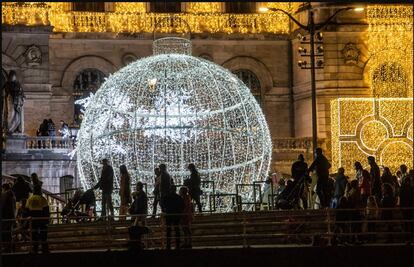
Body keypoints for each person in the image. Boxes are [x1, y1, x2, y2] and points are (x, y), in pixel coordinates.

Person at [25, 184, 50, 254]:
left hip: (32, 220)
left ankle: (35, 249)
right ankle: (44, 249)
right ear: (40, 191)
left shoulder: (29, 199)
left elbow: (26, 210)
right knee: (43, 235)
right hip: (42, 219)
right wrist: (47, 220)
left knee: (34, 234)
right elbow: (46, 210)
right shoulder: (42, 199)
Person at [164, 185, 184, 250]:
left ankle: (168, 245)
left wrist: (166, 211)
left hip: (168, 215)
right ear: (175, 189)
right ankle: (177, 245)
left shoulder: (166, 197)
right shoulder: (179, 197)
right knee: (177, 229)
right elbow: (182, 206)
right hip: (176, 215)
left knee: (168, 230)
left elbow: (163, 204)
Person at [0, 183, 16, 253]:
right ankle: (9, 248)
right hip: (11, 216)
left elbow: (2, 207)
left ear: (4, 188)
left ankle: (7, 248)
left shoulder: (4, 195)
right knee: (9, 232)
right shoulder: (13, 195)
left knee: (5, 232)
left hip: (5, 217)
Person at [399, 170, 413, 244]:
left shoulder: (403, 188)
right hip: (409, 207)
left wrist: (401, 206)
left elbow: (401, 197)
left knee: (406, 223)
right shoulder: (410, 188)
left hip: (405, 207)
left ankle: (407, 238)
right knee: (410, 223)